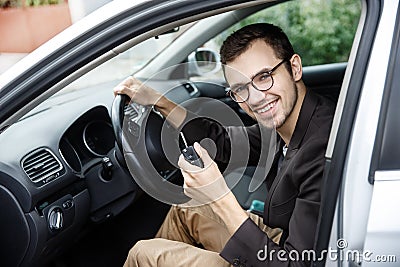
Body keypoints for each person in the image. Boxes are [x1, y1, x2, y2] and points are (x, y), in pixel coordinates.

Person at [113, 23, 335, 266]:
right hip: (285, 236)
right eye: (241, 88)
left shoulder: (321, 147)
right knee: (188, 209)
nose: (257, 97)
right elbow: (222, 142)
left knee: (143, 254)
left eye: (264, 77)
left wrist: (219, 196)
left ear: (294, 68)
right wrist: (160, 102)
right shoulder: (284, 125)